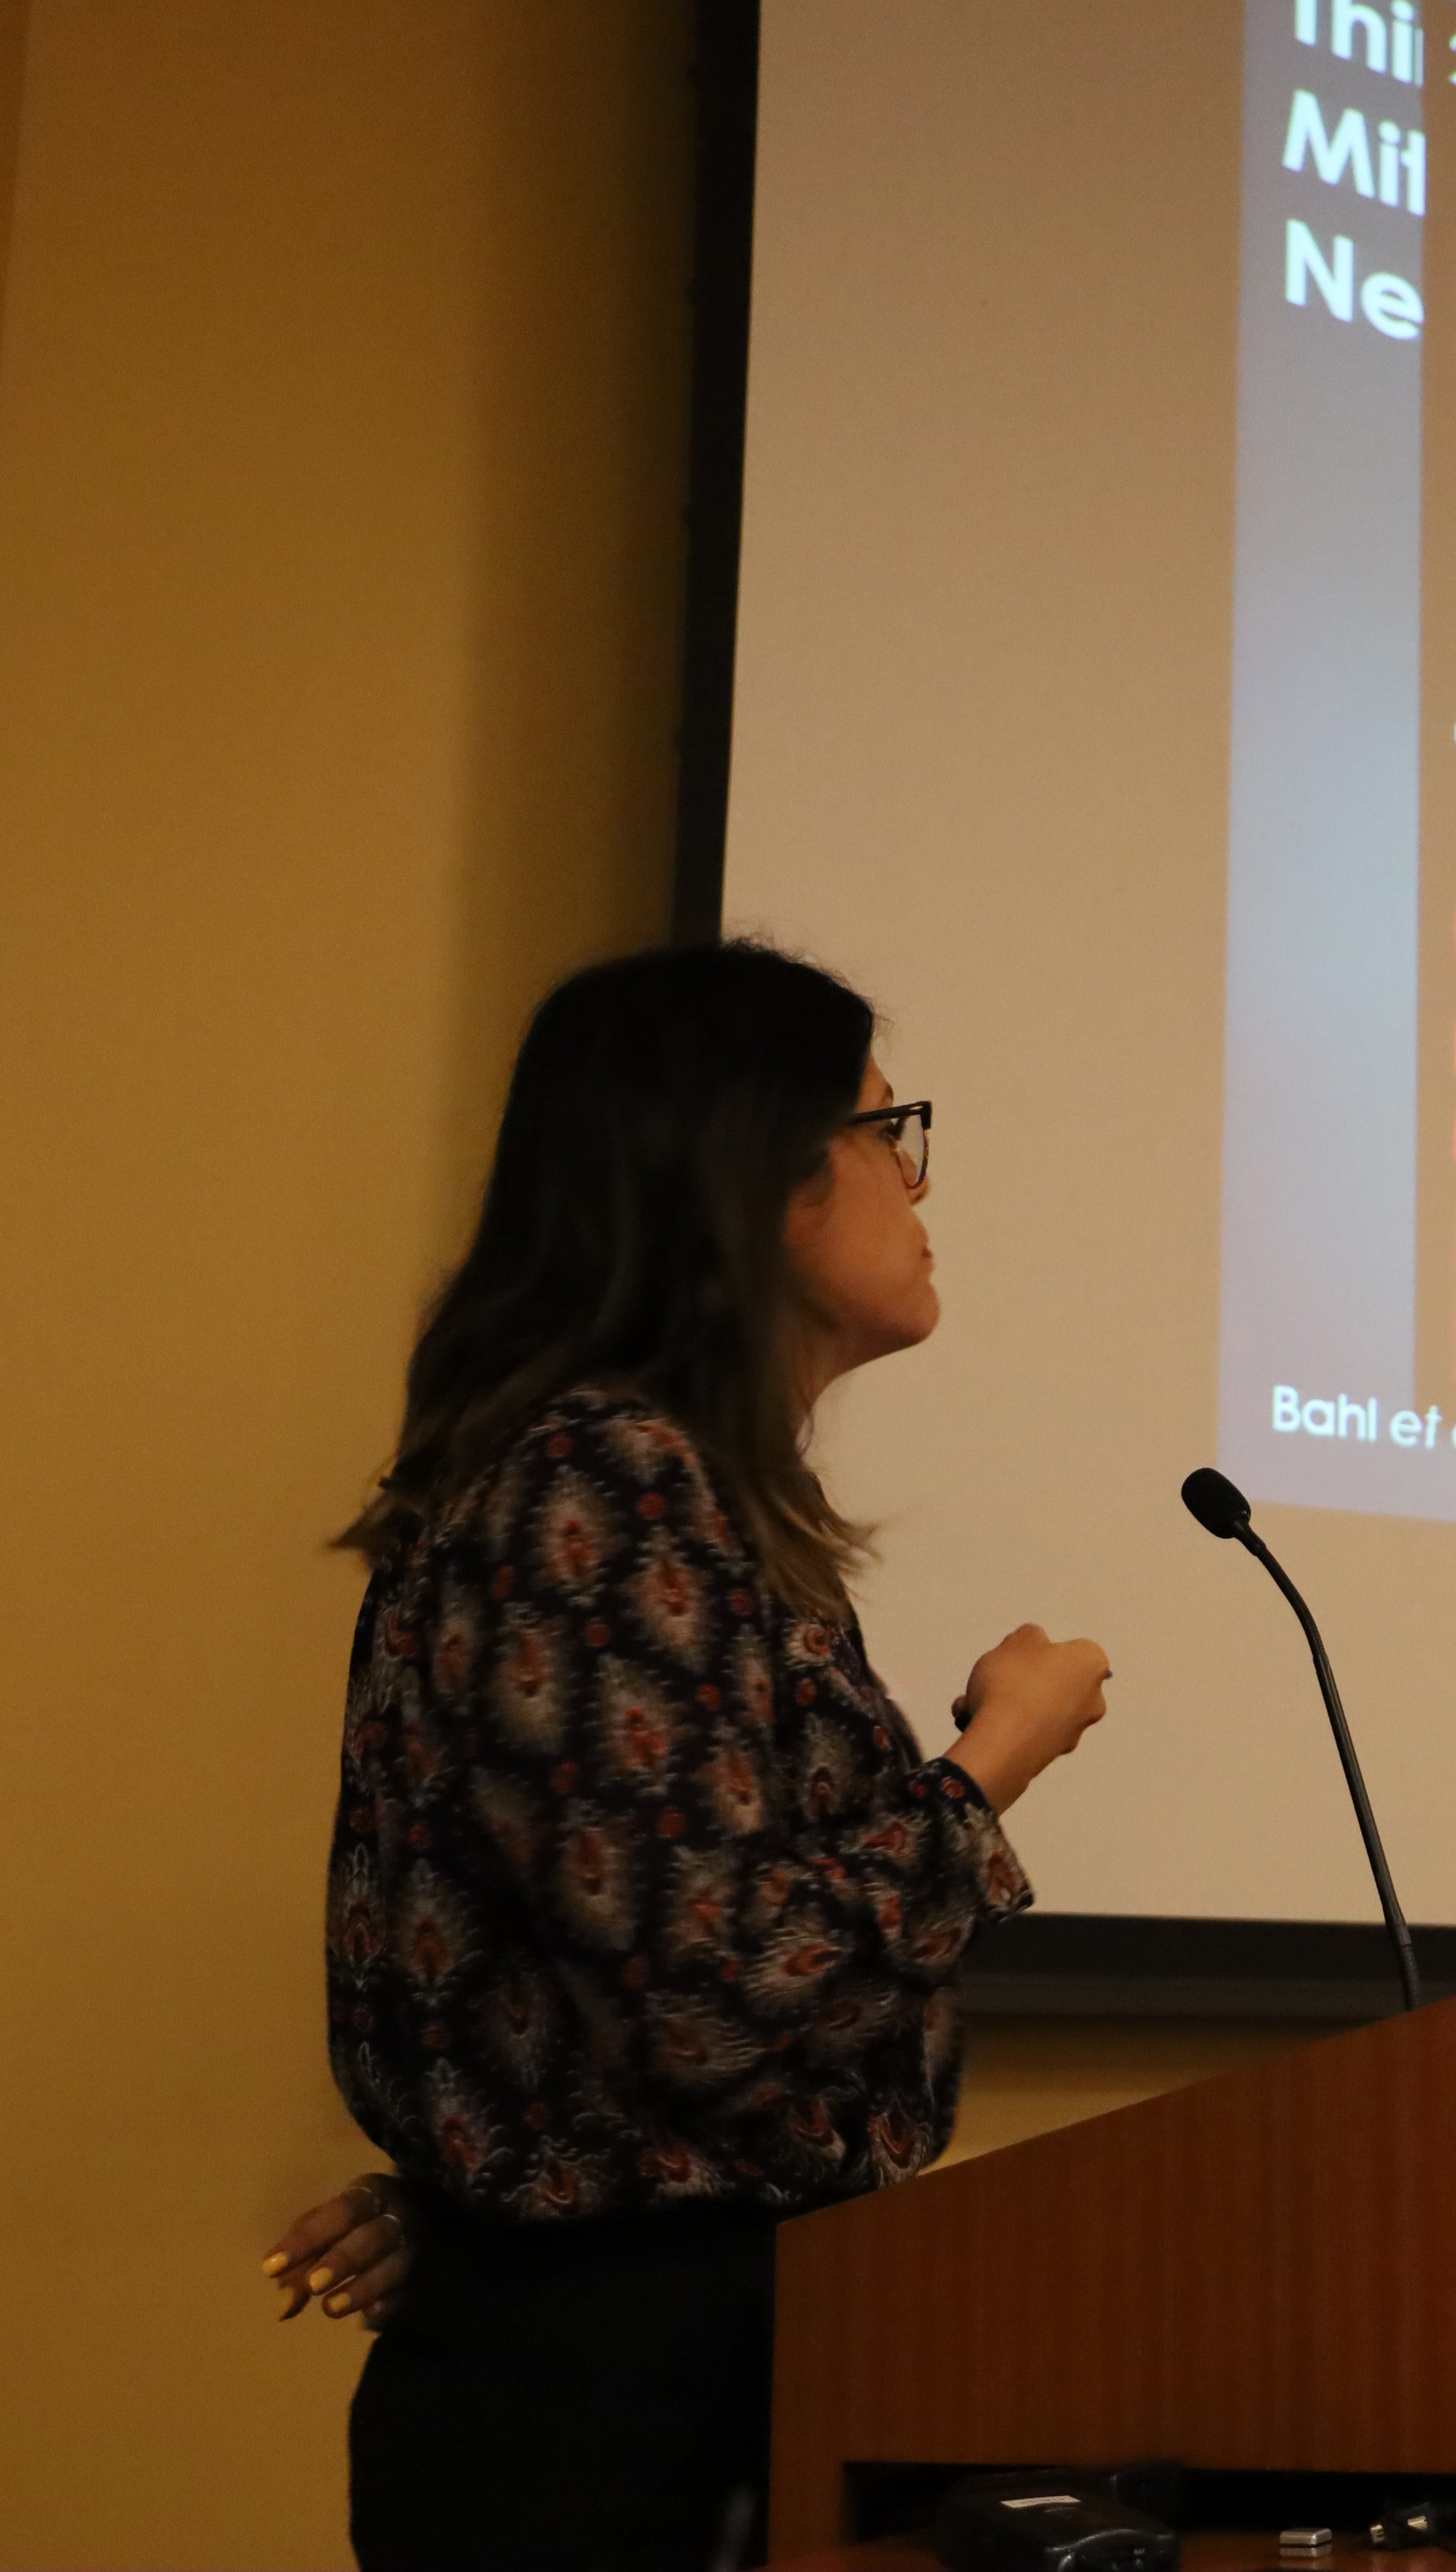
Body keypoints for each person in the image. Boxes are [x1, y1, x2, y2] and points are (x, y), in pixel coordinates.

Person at [272, 941, 1112, 2570]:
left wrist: (483, 2187)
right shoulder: (602, 1480)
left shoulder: (638, 1482)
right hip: (608, 2419)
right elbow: (714, 1991)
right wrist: (994, 1762)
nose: (918, 1182)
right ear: (762, 1174)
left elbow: (602, 1964)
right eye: (888, 1129)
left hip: (663, 2363)